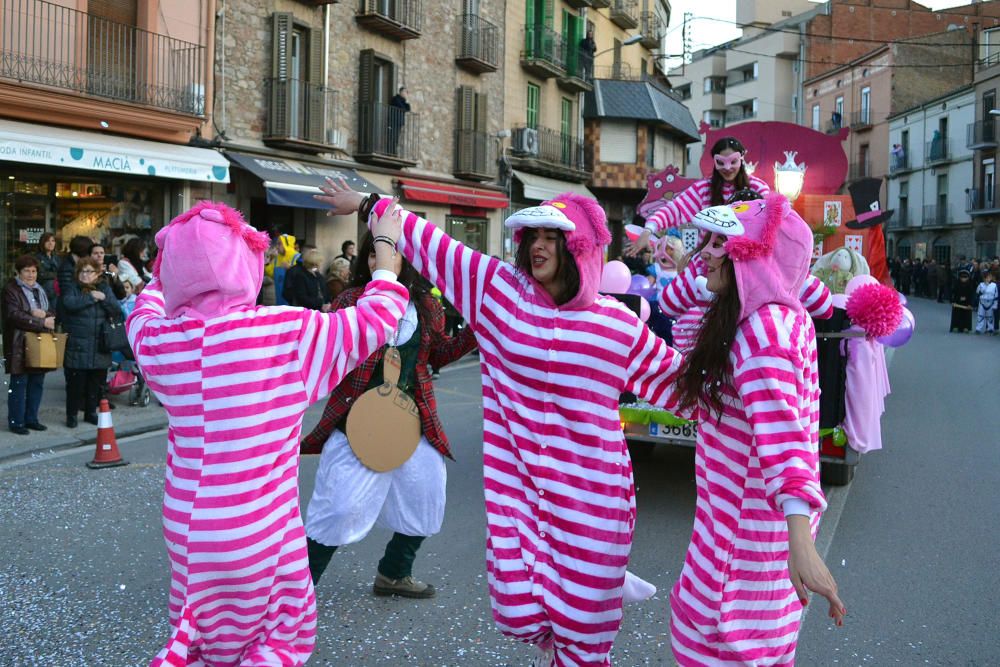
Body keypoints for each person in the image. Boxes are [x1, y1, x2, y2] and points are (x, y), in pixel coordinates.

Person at [318, 179, 684, 666]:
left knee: (585, 631)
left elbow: (684, 388)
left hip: (594, 496)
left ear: (578, 248)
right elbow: (434, 244)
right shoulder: (499, 294)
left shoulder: (616, 324)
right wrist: (369, 205)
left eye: (552, 238)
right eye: (532, 236)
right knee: (518, 610)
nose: (537, 247)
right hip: (519, 494)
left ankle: (586, 629)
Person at [126, 201, 407, 666]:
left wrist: (168, 272)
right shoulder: (284, 334)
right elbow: (379, 315)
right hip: (259, 530)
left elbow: (144, 309)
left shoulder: (161, 342)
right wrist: (386, 241)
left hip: (187, 532)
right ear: (247, 263)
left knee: (199, 634)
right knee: (277, 639)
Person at [668, 194, 845, 665]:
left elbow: (784, 436)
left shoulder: (763, 332)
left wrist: (801, 540)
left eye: (721, 242)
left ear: (754, 256)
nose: (706, 250)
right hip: (745, 557)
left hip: (733, 572)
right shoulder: (782, 318)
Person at [301, 231, 478, 598]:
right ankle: (297, 589)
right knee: (339, 507)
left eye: (387, 252)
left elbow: (438, 355)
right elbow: (329, 350)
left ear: (406, 260)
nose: (376, 261)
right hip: (358, 422)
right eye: (370, 255)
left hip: (413, 419)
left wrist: (477, 328)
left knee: (426, 494)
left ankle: (394, 572)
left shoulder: (427, 306)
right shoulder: (351, 301)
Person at [627, 136, 770, 255]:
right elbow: (674, 210)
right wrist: (648, 230)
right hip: (709, 261)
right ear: (714, 162)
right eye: (721, 162)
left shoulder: (758, 188)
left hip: (745, 260)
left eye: (733, 161)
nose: (727, 168)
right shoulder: (703, 189)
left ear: (742, 160)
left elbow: (770, 222)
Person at [58, 257, 121, 428]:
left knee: (96, 383)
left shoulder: (104, 288)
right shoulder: (73, 288)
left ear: (97, 273)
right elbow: (69, 304)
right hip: (78, 344)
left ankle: (90, 413)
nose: (85, 275)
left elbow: (116, 309)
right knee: (75, 385)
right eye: (82, 271)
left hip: (99, 344)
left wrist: (104, 299)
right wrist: (91, 298)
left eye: (89, 271)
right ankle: (71, 415)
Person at [2, 255, 57, 434]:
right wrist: (39, 320)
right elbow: (13, 315)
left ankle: (31, 419)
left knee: (37, 382)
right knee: (19, 383)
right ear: (18, 272)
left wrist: (46, 316)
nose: (31, 274)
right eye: (27, 271)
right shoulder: (11, 290)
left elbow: (47, 310)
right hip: (19, 342)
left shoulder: (39, 289)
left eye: (34, 271)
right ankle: (17, 422)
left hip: (39, 341)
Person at [35, 232, 60, 304]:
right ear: (42, 243)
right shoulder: (37, 258)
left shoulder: (56, 258)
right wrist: (57, 275)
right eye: (47, 241)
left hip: (57, 291)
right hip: (44, 291)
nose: (51, 243)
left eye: (53, 241)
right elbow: (41, 274)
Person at [950, 269, 975, 333]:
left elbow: (972, 295)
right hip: (957, 302)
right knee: (956, 315)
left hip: (967, 303)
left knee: (966, 315)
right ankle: (955, 326)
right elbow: (953, 293)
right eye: (962, 277)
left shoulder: (970, 285)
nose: (963, 279)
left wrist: (970, 304)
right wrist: (954, 301)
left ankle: (966, 327)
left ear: (968, 277)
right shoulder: (956, 284)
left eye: (965, 277)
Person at [388, 86, 410, 155]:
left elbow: (408, 109)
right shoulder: (396, 99)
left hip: (398, 122)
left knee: (396, 138)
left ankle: (393, 152)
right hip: (393, 121)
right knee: (392, 137)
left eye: (407, 92)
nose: (406, 94)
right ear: (401, 92)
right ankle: (390, 152)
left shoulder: (403, 101)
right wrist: (405, 103)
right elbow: (403, 108)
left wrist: (407, 101)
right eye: (405, 92)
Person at [975, 270, 997, 335]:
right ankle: (978, 329)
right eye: (986, 277)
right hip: (982, 302)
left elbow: (996, 296)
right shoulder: (981, 285)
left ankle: (990, 329)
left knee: (990, 317)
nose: (987, 279)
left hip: (990, 303)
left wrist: (995, 304)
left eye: (989, 277)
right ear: (983, 278)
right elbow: (977, 293)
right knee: (980, 316)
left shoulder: (994, 285)